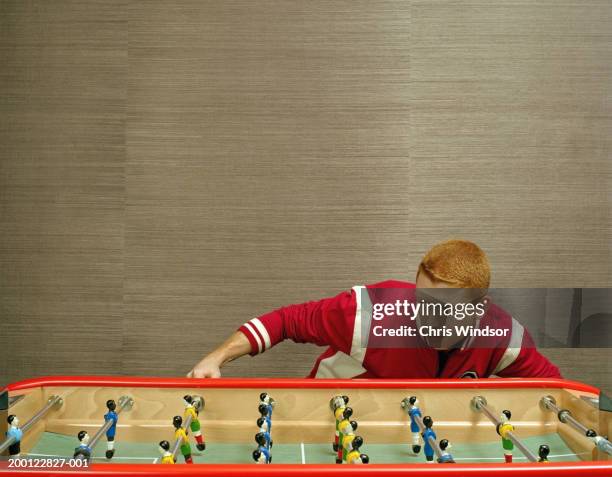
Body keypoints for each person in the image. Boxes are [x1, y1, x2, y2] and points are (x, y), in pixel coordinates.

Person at [187, 239, 561, 380]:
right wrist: (215, 358)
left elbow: (558, 389)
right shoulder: (369, 313)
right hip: (329, 414)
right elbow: (286, 321)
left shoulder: (503, 336)